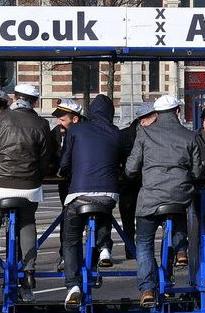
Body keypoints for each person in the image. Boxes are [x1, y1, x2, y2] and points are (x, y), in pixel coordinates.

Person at [125, 95, 201, 307]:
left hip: (150, 196)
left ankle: (147, 288)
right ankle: (180, 248)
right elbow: (196, 172)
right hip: (179, 195)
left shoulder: (144, 133)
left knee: (144, 243)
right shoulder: (190, 136)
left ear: (157, 114)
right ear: (177, 111)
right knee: (180, 210)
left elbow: (131, 169)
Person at [60, 94, 121, 310]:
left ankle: (72, 286)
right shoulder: (115, 132)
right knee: (104, 207)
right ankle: (105, 248)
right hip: (108, 193)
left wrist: (62, 170)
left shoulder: (75, 130)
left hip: (79, 193)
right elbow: (120, 161)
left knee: (70, 240)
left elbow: (65, 160)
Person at [0, 84, 51, 302]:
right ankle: (28, 272)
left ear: (14, 98)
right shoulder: (42, 123)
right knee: (27, 222)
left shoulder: (2, 119)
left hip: (1, 184)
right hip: (29, 186)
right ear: (35, 102)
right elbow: (46, 159)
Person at [119, 103, 158, 259]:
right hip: (141, 184)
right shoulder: (151, 134)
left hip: (129, 184)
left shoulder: (124, 135)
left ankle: (131, 249)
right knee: (144, 222)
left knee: (129, 220)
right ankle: (138, 250)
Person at [50, 98, 83, 272]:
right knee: (67, 218)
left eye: (62, 119)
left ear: (75, 119)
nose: (59, 122)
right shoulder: (57, 132)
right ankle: (66, 255)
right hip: (65, 182)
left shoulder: (83, 133)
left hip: (80, 182)